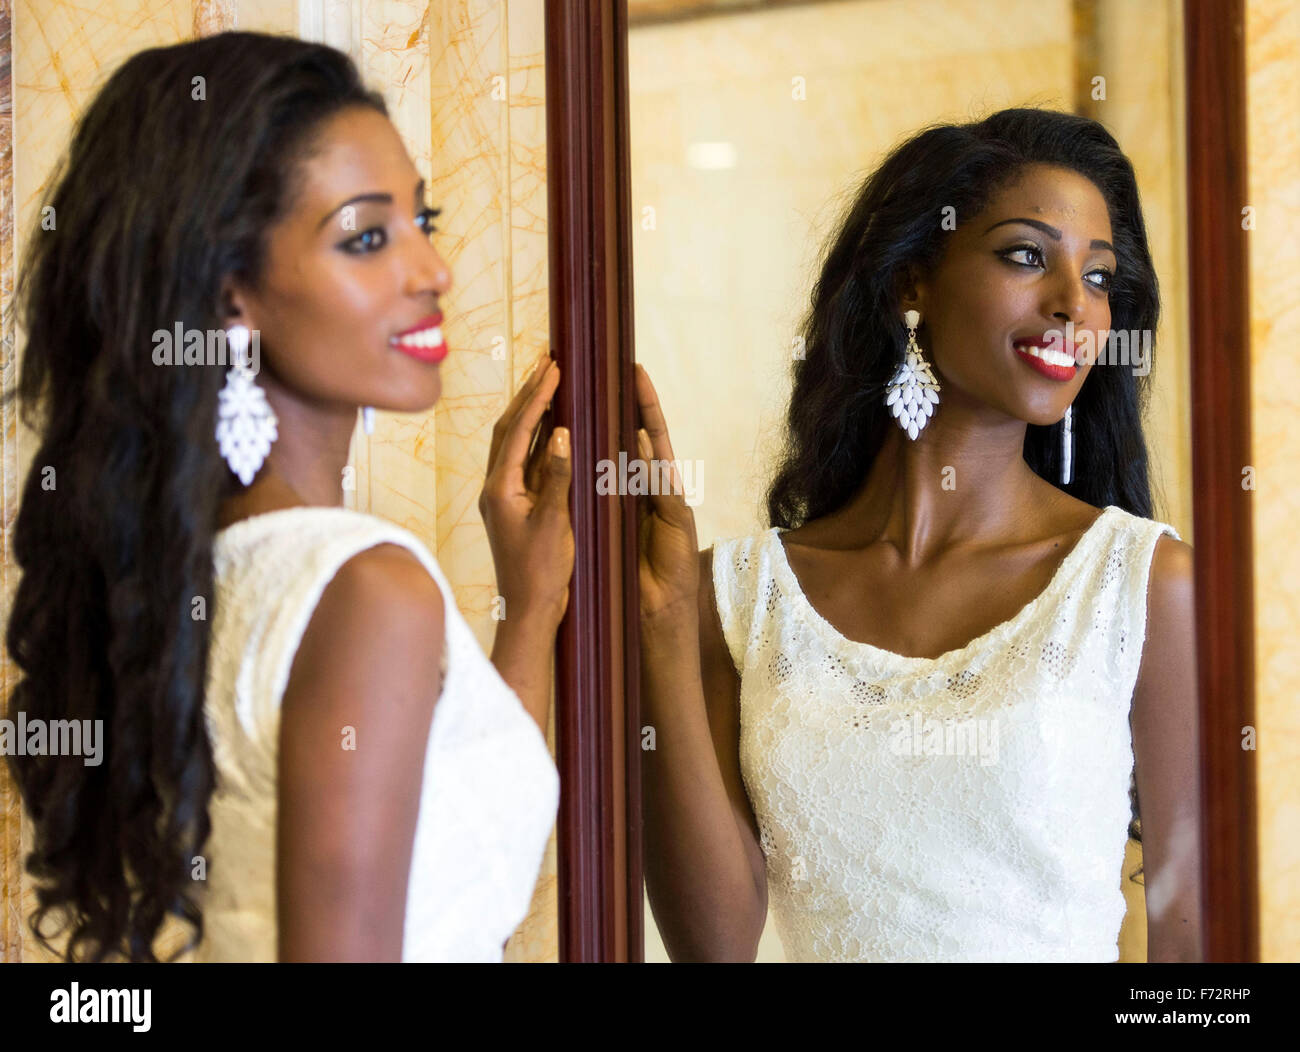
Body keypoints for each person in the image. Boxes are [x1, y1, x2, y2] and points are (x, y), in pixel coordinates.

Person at [3, 31, 573, 963]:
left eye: (420, 224)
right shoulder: (365, 591)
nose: (431, 272)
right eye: (366, 237)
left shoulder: (208, 570)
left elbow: (437, 824)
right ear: (232, 297)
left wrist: (532, 604)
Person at [636, 107, 1201, 963]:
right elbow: (713, 946)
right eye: (1025, 256)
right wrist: (665, 628)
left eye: (1099, 278)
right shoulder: (739, 599)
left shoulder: (1142, 583)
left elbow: (1201, 957)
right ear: (912, 281)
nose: (1072, 306)